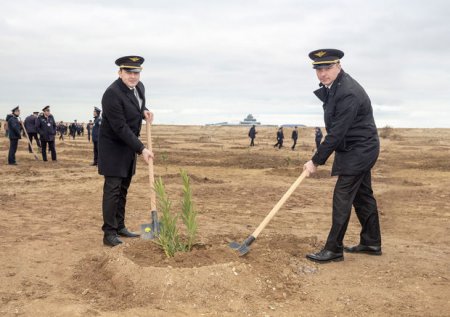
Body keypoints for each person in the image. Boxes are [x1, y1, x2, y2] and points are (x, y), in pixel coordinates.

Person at [303, 48, 382, 263]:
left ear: (338, 66)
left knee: (342, 197)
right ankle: (371, 241)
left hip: (360, 150)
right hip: (355, 149)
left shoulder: (348, 92)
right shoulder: (336, 87)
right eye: (318, 69)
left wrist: (315, 161)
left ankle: (333, 249)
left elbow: (337, 132)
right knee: (363, 196)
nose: (323, 74)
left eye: (328, 68)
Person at [98, 55, 154, 247]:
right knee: (112, 190)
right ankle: (109, 233)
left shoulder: (140, 87)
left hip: (128, 148)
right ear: (120, 72)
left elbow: (135, 105)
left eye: (136, 72)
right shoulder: (111, 94)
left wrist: (144, 111)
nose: (133, 76)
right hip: (114, 148)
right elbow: (120, 127)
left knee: (123, 189)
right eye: (128, 72)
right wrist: (142, 149)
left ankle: (120, 226)